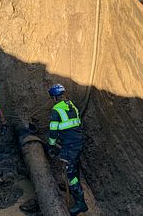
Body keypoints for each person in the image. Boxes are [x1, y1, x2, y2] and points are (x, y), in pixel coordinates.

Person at [47, 83, 88, 215]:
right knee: (74, 166)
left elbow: (53, 131)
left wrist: (51, 144)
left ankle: (80, 203)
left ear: (54, 97)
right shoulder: (72, 106)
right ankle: (72, 187)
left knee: (70, 173)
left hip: (70, 145)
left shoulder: (56, 110)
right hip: (78, 142)